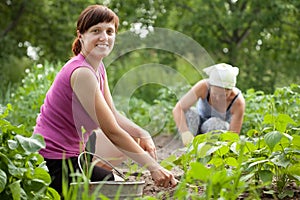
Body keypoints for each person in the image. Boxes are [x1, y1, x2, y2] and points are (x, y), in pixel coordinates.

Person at [33, 4, 177, 195]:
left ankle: (89, 176)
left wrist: (144, 133)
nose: (104, 37)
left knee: (117, 179)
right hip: (53, 162)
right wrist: (154, 167)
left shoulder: (97, 67)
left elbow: (114, 115)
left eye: (110, 31)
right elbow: (111, 130)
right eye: (96, 31)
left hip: (77, 156)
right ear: (81, 35)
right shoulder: (82, 72)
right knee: (116, 191)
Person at [172, 63, 245, 146]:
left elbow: (233, 136)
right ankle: (189, 146)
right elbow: (178, 109)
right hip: (197, 125)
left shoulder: (238, 102)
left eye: (222, 95)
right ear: (210, 86)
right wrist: (185, 133)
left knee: (216, 124)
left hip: (214, 132)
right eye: (214, 94)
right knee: (189, 114)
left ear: (230, 91)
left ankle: (207, 149)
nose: (217, 98)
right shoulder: (203, 87)